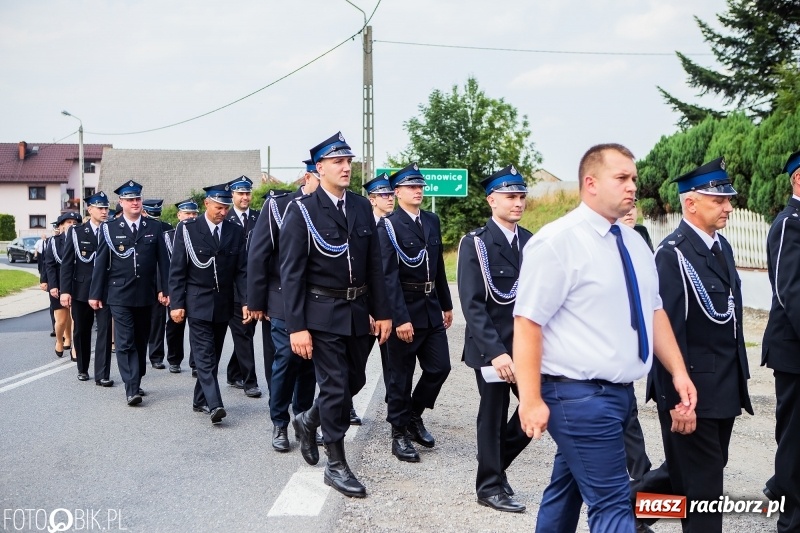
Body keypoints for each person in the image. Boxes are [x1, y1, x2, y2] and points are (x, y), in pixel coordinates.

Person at [513, 143, 697, 532]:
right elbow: (527, 323)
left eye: (634, 178)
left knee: (565, 491)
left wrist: (678, 372)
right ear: (590, 183)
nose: (632, 186)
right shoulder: (557, 242)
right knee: (613, 504)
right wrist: (530, 399)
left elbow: (654, 310)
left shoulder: (633, 242)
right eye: (622, 178)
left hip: (617, 393)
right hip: (577, 395)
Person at [283, 132, 391, 497]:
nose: (347, 167)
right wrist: (297, 326)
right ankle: (336, 464)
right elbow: (292, 273)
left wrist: (382, 310)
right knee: (333, 386)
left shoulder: (361, 206)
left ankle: (308, 419)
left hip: (358, 311)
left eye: (349, 161)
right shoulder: (302, 211)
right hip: (321, 312)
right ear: (319, 168)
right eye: (338, 162)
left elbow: (374, 263)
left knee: (354, 382)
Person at [648, 157, 752, 532]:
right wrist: (677, 401)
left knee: (686, 478)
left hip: (723, 388)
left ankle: (625, 509)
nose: (728, 206)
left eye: (728, 199)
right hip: (692, 392)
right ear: (691, 203)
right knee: (704, 494)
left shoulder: (720, 247)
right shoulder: (671, 255)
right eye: (718, 200)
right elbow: (665, 335)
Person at [457, 165, 532, 513]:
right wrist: (497, 353)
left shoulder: (532, 242)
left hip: (527, 349)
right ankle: (489, 486)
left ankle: (495, 462)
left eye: (521, 196)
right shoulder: (476, 244)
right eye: (510, 196)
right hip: (493, 350)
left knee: (539, 408)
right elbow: (472, 305)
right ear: (492, 200)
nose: (518, 203)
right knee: (493, 413)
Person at [376, 162, 453, 463]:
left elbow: (438, 267)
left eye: (420, 185)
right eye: (411, 186)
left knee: (440, 368)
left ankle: (412, 415)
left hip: (431, 308)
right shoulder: (389, 226)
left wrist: (446, 303)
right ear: (397, 192)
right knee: (401, 376)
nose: (418, 190)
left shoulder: (431, 221)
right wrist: (399, 318)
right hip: (404, 311)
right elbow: (387, 276)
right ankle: (398, 434)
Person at [248, 163, 319, 453]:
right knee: (287, 360)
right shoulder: (280, 206)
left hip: (318, 299)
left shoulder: (330, 208)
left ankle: (303, 418)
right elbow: (259, 254)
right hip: (280, 296)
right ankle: (279, 421)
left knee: (310, 364)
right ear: (309, 177)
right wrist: (255, 301)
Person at [168, 182, 248, 425]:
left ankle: (199, 399)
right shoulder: (188, 229)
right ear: (206, 204)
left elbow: (241, 271)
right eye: (218, 207)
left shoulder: (234, 231)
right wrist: (176, 303)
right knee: (204, 355)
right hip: (197, 302)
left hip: (223, 303)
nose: (222, 212)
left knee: (213, 353)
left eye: (225, 207)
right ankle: (215, 404)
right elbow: (177, 270)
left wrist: (245, 301)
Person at [89, 180, 170, 406]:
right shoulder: (110, 228)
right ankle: (131, 388)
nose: (135, 203)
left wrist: (165, 289)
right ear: (121, 202)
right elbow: (101, 263)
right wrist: (95, 294)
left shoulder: (154, 227)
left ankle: (136, 377)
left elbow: (163, 262)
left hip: (145, 294)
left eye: (138, 199)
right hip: (119, 293)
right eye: (130, 199)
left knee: (141, 340)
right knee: (125, 342)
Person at [761, 149, 800, 533]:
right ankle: (790, 521)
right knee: (794, 440)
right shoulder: (791, 223)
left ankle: (781, 488)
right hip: (793, 351)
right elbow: (792, 292)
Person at [59, 192, 114, 385]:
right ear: (90, 210)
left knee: (105, 332)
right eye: (100, 208)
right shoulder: (76, 232)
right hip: (82, 289)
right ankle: (82, 367)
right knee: (82, 330)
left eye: (106, 208)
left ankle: (102, 374)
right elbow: (67, 264)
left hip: (106, 290)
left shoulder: (112, 230)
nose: (105, 211)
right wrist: (65, 290)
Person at [224, 175, 264, 398]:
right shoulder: (225, 219)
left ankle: (232, 372)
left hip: (255, 286)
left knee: (247, 332)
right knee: (243, 333)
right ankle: (250, 381)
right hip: (232, 289)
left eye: (247, 193)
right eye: (240, 193)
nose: (245, 197)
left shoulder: (259, 218)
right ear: (233, 196)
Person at [363, 173, 395, 403]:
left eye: (392, 194)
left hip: (391, 309)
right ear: (373, 199)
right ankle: (346, 407)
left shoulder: (398, 226)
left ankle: (396, 415)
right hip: (365, 308)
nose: (390, 198)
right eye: (384, 195)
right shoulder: (362, 226)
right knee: (354, 366)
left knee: (393, 368)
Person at [162, 199, 199, 375]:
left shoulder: (200, 233)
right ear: (179, 215)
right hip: (175, 287)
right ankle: (174, 359)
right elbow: (163, 266)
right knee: (175, 326)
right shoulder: (168, 235)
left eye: (194, 214)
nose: (191, 217)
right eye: (187, 214)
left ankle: (196, 363)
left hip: (194, 287)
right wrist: (165, 290)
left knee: (197, 327)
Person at [142, 199, 173, 371]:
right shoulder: (140, 227)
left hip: (158, 281)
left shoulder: (166, 228)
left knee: (157, 321)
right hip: (141, 282)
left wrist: (163, 287)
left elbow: (164, 261)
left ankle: (156, 356)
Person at [45, 212, 81, 359]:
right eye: (68, 222)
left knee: (75, 318)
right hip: (59, 284)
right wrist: (52, 285)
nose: (71, 225)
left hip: (77, 283)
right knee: (61, 320)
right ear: (61, 226)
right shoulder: (54, 241)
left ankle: (74, 348)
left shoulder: (81, 239)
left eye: (74, 222)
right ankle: (60, 339)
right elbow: (50, 265)